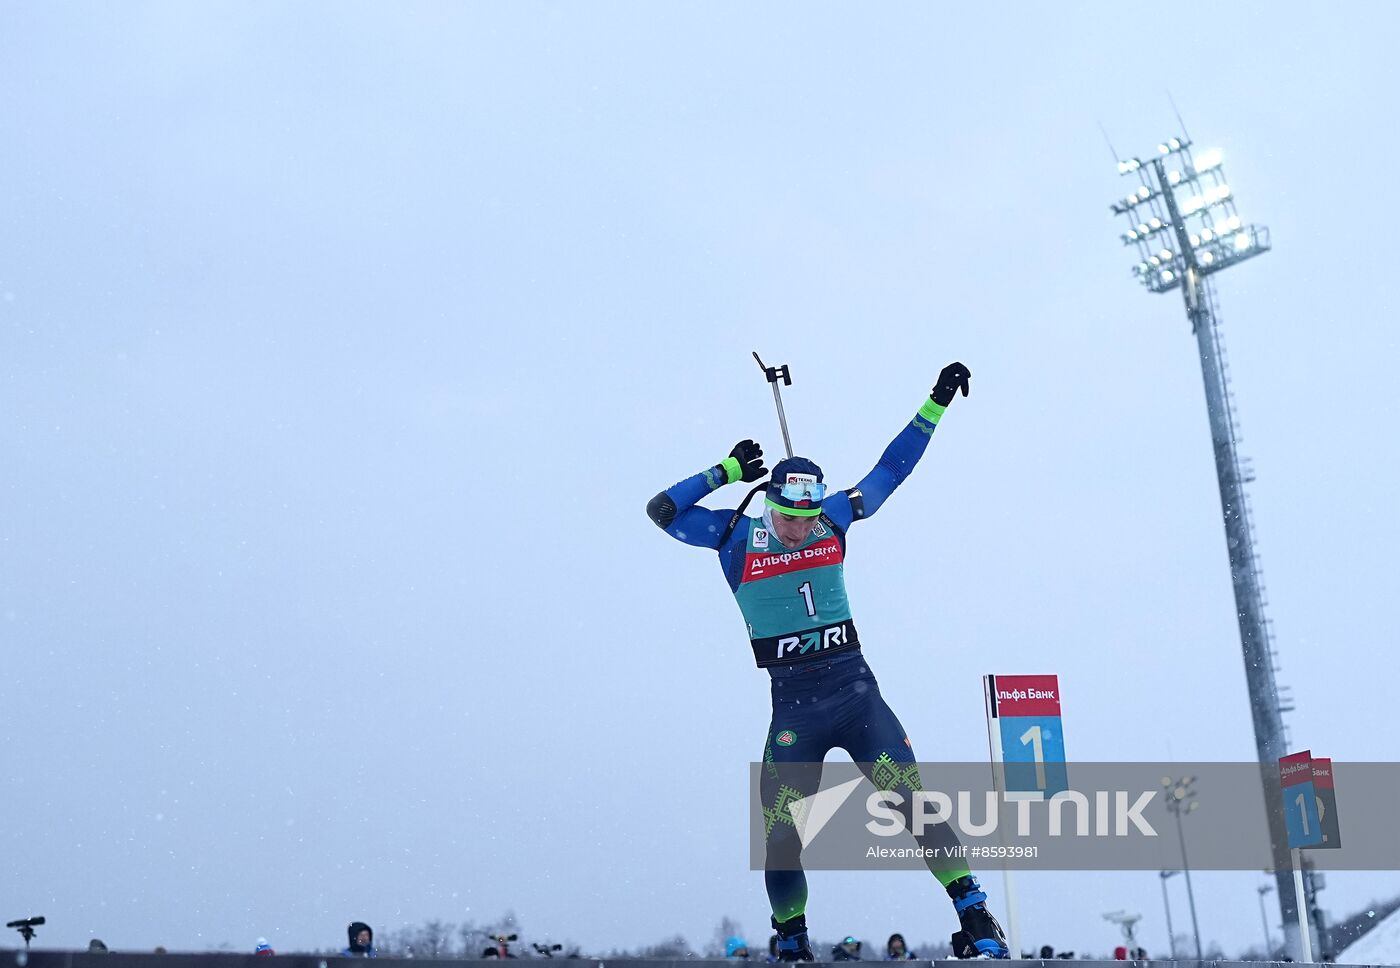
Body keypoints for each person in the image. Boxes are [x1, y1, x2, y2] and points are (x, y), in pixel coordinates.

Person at [646, 362, 1008, 961]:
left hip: (858, 700)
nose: (799, 529)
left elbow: (892, 468)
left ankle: (974, 915)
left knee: (913, 804)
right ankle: (792, 940)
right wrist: (726, 471)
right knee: (782, 838)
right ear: (768, 505)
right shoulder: (733, 534)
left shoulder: (834, 519)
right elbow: (662, 512)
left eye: (808, 517)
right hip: (795, 713)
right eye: (789, 517)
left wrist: (936, 400)